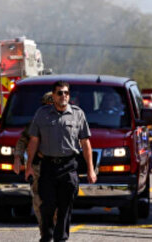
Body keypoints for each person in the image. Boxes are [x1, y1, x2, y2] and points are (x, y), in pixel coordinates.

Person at [25, 81, 96, 242]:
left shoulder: (78, 114)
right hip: (48, 166)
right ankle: (46, 236)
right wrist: (29, 166)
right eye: (59, 93)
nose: (63, 96)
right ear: (53, 96)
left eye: (66, 93)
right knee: (47, 205)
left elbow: (85, 143)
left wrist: (91, 169)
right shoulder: (42, 114)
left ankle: (61, 238)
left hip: (69, 166)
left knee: (65, 206)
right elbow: (34, 141)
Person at [12, 91, 55, 230]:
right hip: (40, 165)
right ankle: (44, 227)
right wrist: (17, 158)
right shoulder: (35, 123)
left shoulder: (68, 121)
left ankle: (56, 226)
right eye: (46, 106)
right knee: (38, 197)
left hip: (59, 166)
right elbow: (22, 141)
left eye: (52, 105)